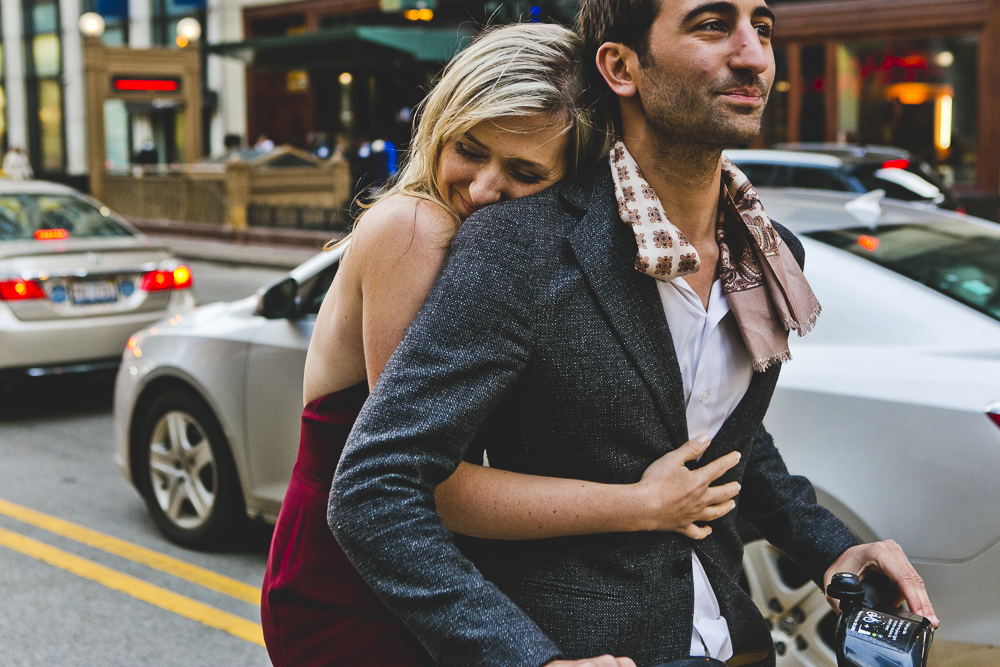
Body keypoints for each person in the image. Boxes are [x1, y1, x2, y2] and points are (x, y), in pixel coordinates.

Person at [330, 2, 938, 666]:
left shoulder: (768, 250)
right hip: (577, 643)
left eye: (761, 29)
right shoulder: (514, 242)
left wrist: (833, 545)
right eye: (712, 25)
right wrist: (528, 659)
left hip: (734, 637)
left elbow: (721, 437)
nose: (752, 54)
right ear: (621, 65)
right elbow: (375, 488)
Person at [263, 23, 738, 667]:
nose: (484, 188)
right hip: (361, 582)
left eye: (522, 171)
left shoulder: (518, 255)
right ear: (439, 125)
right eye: (469, 148)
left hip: (454, 575)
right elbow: (421, 486)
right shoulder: (414, 227)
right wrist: (643, 506)